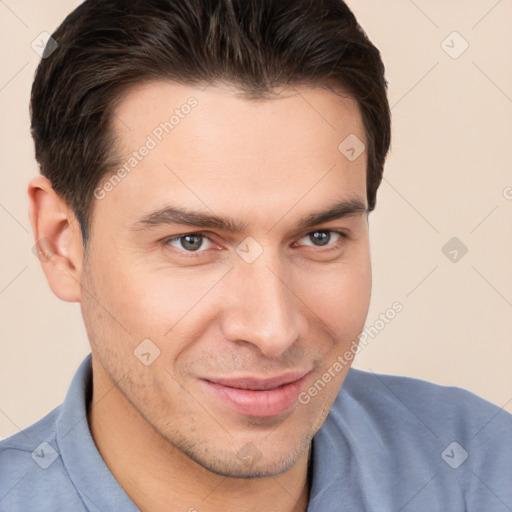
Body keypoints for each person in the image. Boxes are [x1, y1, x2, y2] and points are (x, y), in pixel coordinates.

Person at [1, 1, 511, 511]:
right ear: (61, 244)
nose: (273, 330)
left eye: (319, 237)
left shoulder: (482, 467)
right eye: (192, 242)